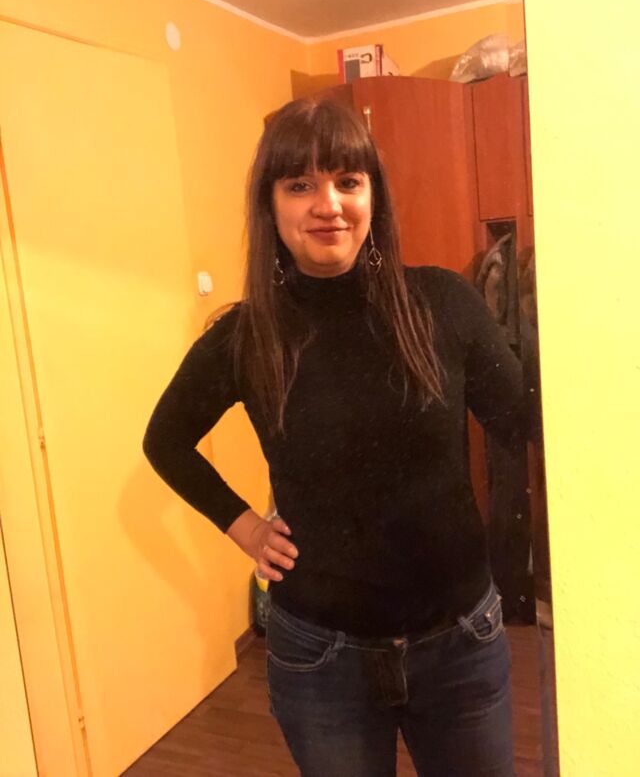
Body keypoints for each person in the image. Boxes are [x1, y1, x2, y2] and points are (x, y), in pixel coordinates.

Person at [143, 98, 523, 776]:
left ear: (373, 194)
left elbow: (522, 419)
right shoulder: (245, 337)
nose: (329, 205)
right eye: (300, 184)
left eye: (348, 180)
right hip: (322, 661)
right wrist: (244, 527)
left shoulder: (443, 303)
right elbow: (165, 439)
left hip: (460, 644)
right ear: (271, 205)